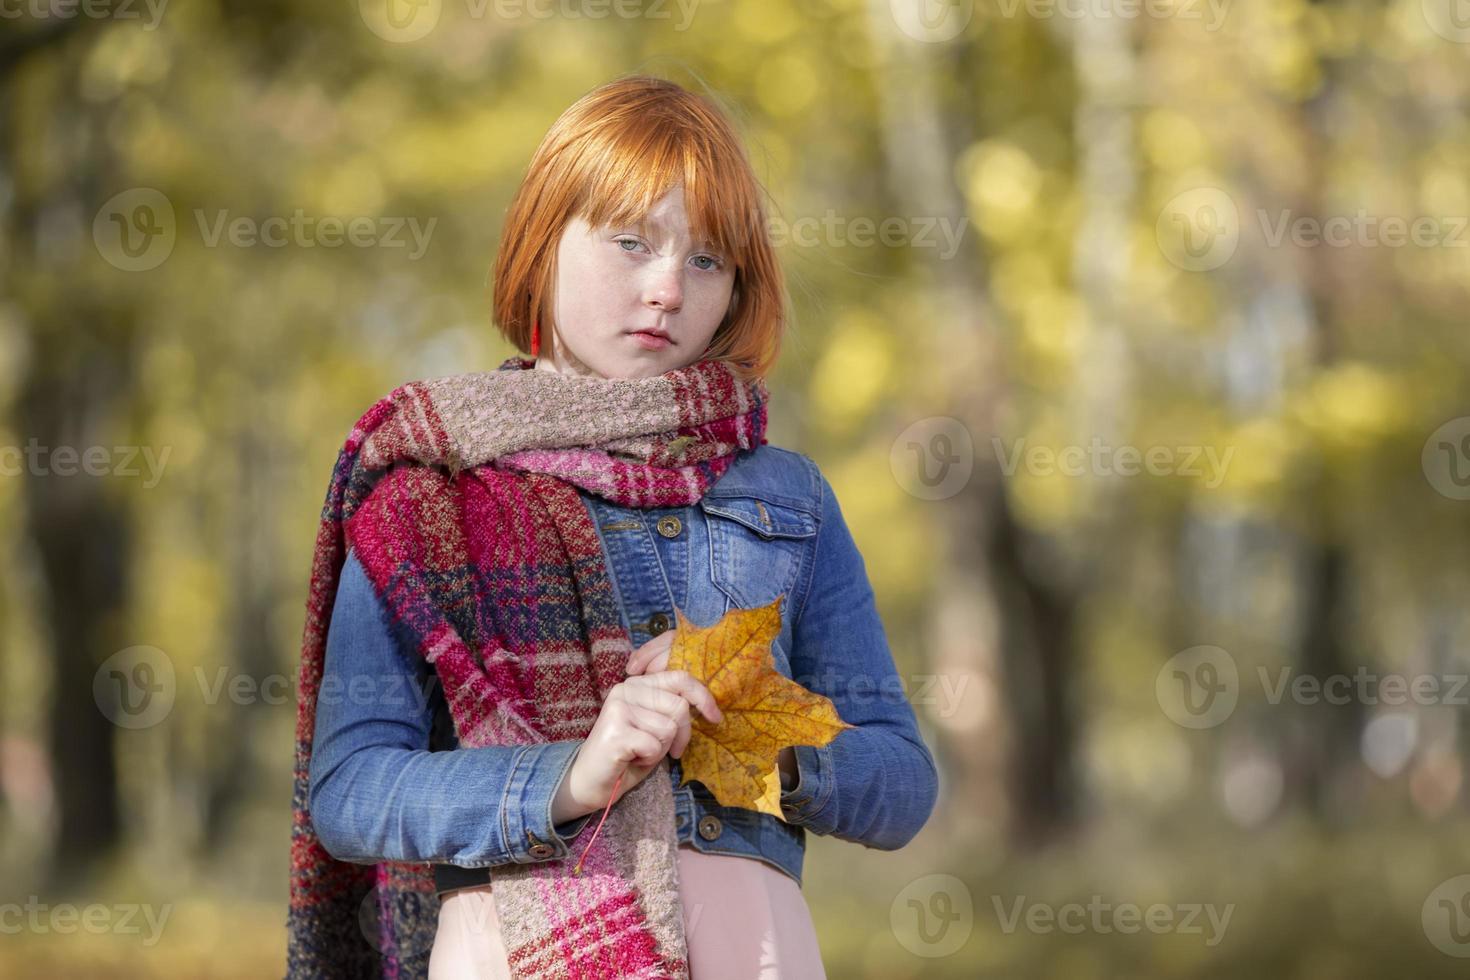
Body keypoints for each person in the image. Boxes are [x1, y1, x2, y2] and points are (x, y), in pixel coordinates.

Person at [287, 74, 938, 980]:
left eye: (708, 261)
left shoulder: (787, 496)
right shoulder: (424, 496)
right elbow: (349, 795)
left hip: (754, 953)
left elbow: (904, 785)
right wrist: (571, 777)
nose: (668, 288)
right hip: (516, 951)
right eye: (632, 243)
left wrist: (750, 722)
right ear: (541, 241)